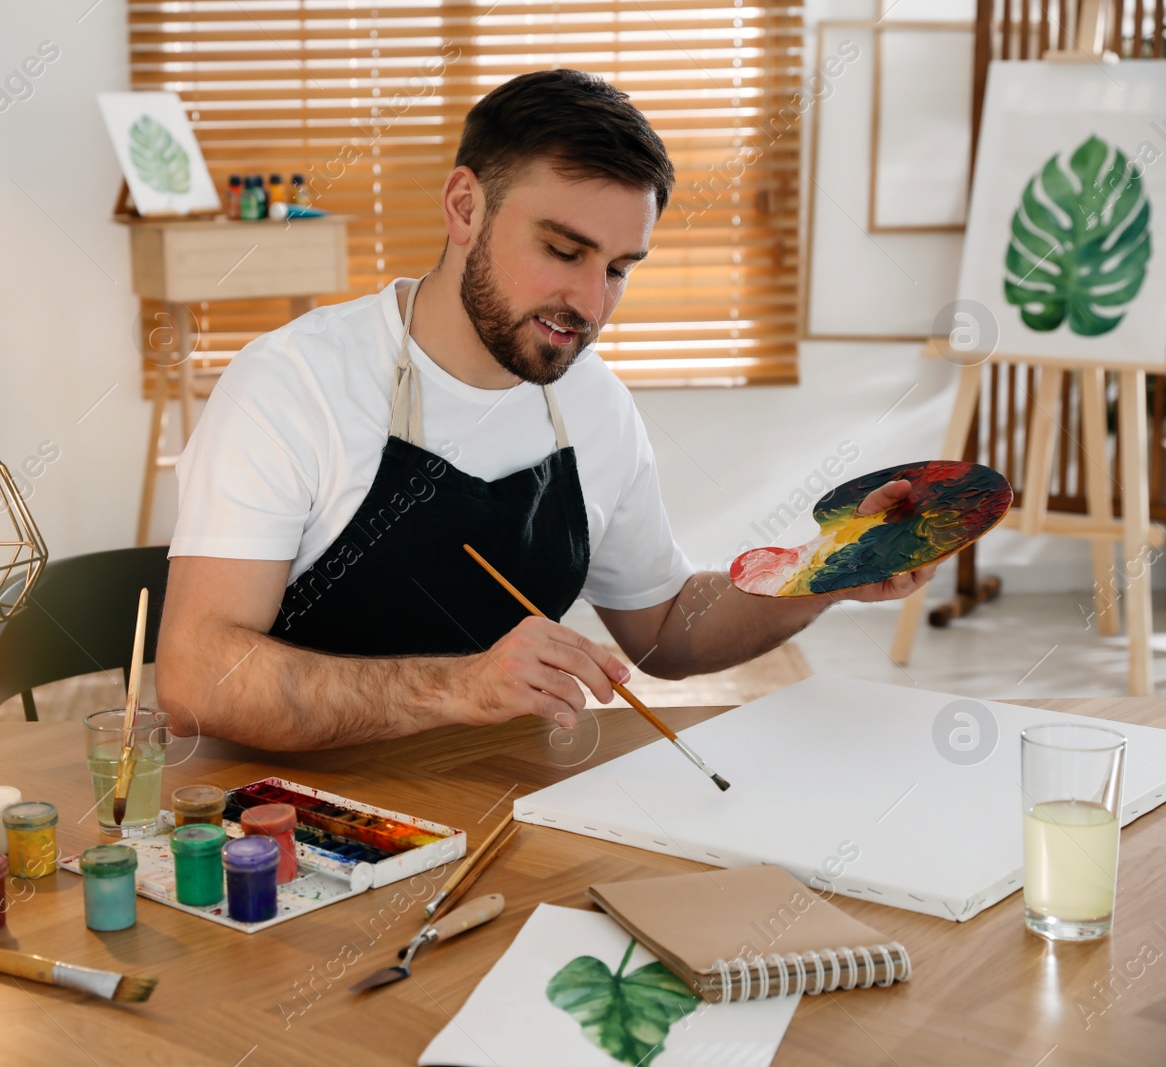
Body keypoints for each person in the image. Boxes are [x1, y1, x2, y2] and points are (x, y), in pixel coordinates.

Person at [156, 69, 934, 750]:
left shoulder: (593, 403)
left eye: (619, 269)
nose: (591, 304)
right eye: (563, 251)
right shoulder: (293, 385)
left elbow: (663, 629)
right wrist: (462, 687)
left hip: (507, 798)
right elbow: (196, 679)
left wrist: (827, 569)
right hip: (285, 827)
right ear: (465, 208)